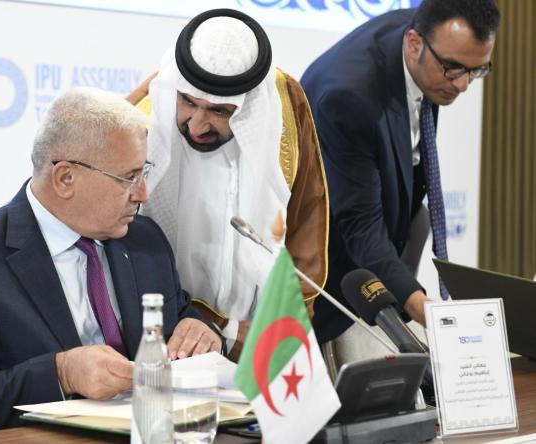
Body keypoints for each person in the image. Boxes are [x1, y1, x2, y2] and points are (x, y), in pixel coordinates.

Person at [0, 87, 221, 439]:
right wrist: (61, 374)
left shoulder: (145, 240)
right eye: (129, 178)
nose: (143, 193)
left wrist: (198, 330)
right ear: (65, 178)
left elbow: (178, 319)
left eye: (143, 172)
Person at [126, 8, 329, 360]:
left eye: (220, 111)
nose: (196, 125)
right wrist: (212, 326)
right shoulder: (142, 118)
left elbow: (306, 220)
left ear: (248, 108)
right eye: (188, 102)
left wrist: (283, 331)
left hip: (257, 341)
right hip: (165, 340)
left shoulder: (283, 106)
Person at [301, 0, 499, 343]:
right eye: (454, 69)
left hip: (389, 228)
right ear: (413, 44)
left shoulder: (432, 42)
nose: (463, 85)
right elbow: (359, 225)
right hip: (326, 252)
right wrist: (428, 313)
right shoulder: (349, 99)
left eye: (476, 70)